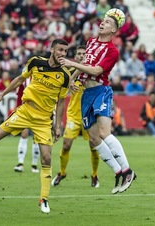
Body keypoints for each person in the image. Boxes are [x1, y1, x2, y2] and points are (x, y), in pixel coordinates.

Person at [0, 39, 71, 214]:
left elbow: (61, 102)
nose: (63, 53)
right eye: (60, 50)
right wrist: (1, 95)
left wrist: (58, 125)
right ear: (52, 49)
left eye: (65, 51)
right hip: (24, 111)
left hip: (44, 119)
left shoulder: (65, 75)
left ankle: (43, 199)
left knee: (46, 158)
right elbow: (19, 79)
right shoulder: (35, 62)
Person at [59, 9, 136, 194]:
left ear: (113, 31)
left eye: (108, 22)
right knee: (94, 139)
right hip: (86, 94)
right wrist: (73, 79)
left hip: (101, 91)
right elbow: (86, 62)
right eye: (103, 20)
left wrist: (71, 64)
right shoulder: (91, 42)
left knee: (104, 132)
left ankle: (127, 170)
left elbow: (95, 70)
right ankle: (118, 172)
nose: (103, 23)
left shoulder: (113, 51)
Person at [51, 46, 100, 188]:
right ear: (75, 56)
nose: (81, 55)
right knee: (66, 145)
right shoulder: (69, 72)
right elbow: (60, 92)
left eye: (84, 53)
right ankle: (62, 172)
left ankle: (95, 175)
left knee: (93, 146)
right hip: (73, 115)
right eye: (79, 54)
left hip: (89, 115)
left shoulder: (93, 71)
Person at [13, 78, 40, 174]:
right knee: (24, 135)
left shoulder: (42, 76)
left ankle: (34, 164)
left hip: (38, 111)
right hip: (25, 111)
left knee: (36, 137)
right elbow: (19, 94)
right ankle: (20, 163)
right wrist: (18, 110)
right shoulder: (25, 78)